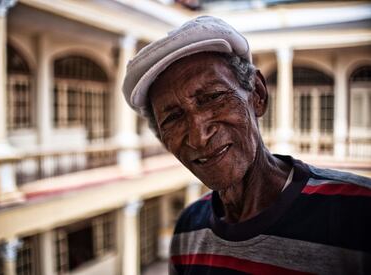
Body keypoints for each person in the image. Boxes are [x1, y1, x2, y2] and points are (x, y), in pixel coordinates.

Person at [123, 16, 371, 274]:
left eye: (213, 97)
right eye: (173, 118)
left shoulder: (359, 210)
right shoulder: (188, 228)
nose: (198, 137)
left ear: (258, 95)